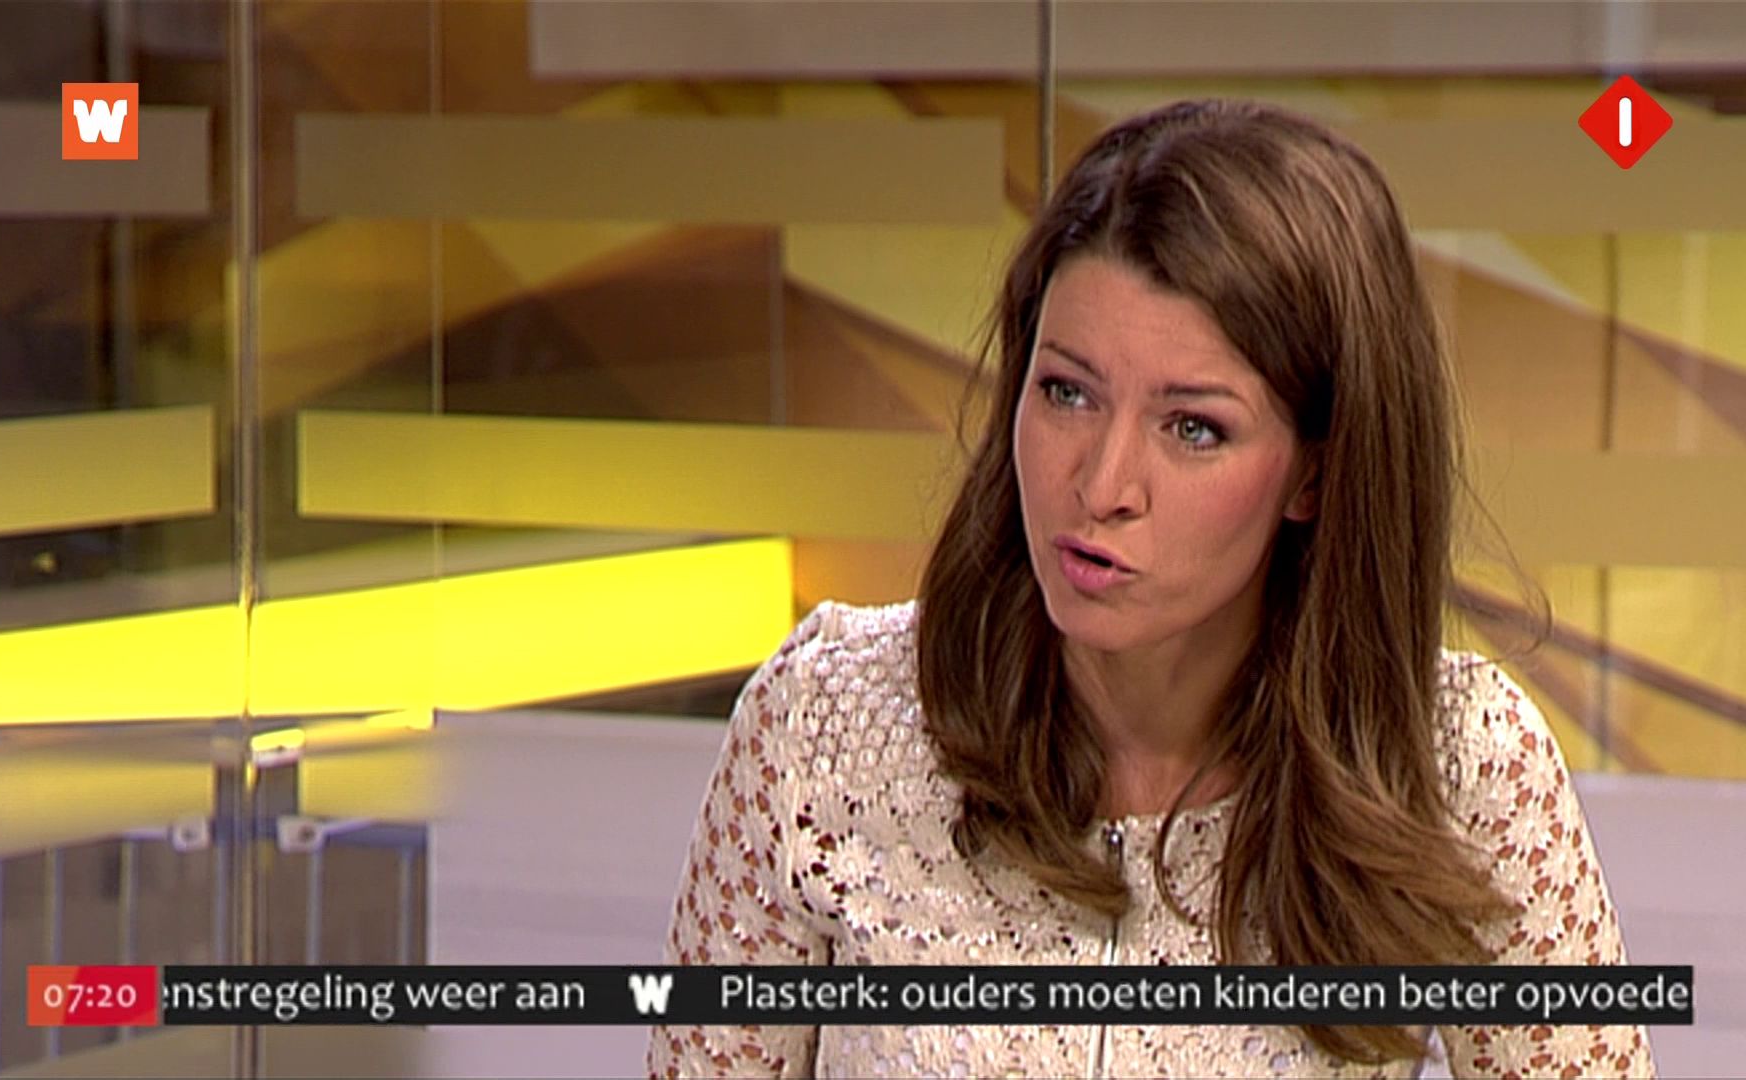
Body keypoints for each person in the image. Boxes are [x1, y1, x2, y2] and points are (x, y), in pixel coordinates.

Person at [647, 99, 1656, 1079]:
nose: (1101, 485)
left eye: (1193, 428)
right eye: (1068, 392)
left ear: (1315, 471)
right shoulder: (825, 724)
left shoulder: (1464, 767)